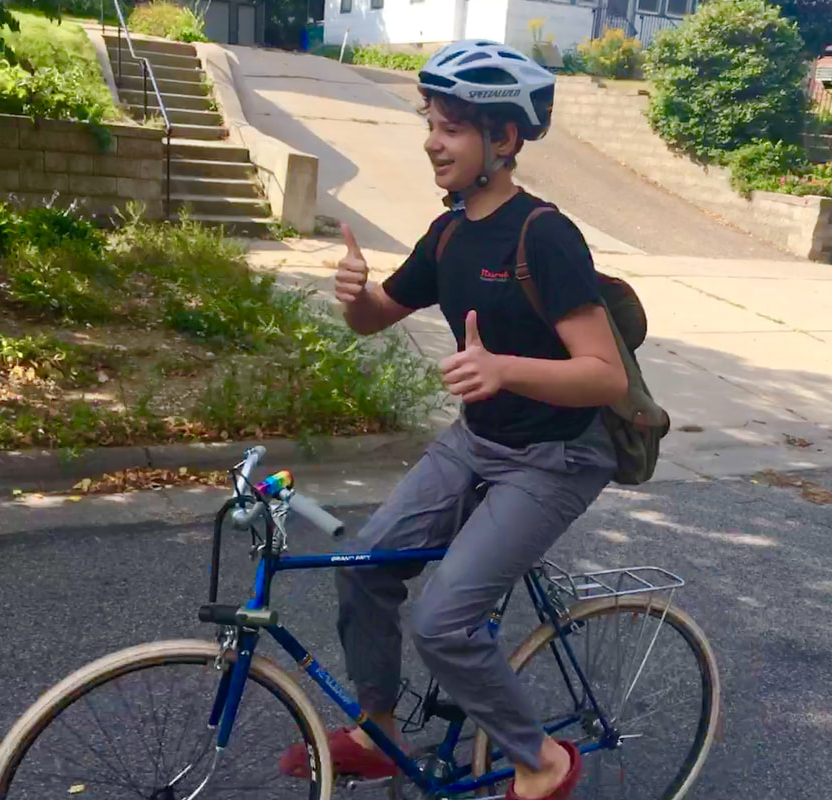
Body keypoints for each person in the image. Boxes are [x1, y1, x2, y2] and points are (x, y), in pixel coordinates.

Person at [281, 40, 628, 800]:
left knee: (443, 622)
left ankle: (542, 759)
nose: (432, 140)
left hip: (555, 457)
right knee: (365, 567)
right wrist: (354, 293)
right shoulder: (450, 232)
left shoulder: (545, 235)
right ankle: (380, 729)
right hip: (478, 439)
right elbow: (377, 319)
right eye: (429, 122)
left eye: (453, 127)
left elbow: (604, 375)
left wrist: (503, 369)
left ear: (503, 140)